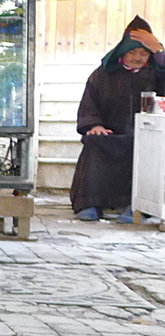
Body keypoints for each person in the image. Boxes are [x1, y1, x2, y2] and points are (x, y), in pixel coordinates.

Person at [70, 16, 164, 223]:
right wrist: (94, 125)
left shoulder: (158, 73)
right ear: (122, 51)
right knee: (94, 142)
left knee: (149, 149)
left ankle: (139, 206)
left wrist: (159, 50)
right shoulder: (102, 74)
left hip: (147, 135)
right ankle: (90, 204)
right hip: (110, 134)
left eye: (144, 53)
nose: (138, 58)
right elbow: (89, 105)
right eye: (132, 51)